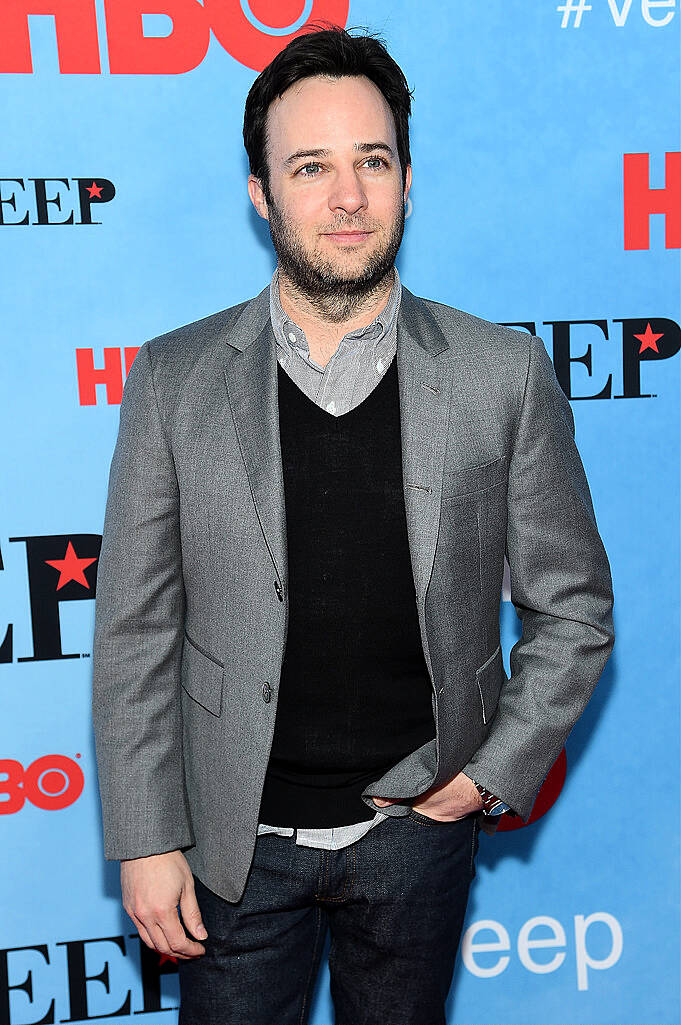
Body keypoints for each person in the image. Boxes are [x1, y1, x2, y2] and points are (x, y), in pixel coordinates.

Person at [91, 25, 615, 1025]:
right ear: (261, 192)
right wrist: (145, 835)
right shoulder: (173, 381)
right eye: (311, 166)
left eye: (373, 161)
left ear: (408, 179)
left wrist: (483, 778)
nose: (347, 197)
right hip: (229, 845)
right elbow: (133, 632)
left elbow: (575, 610)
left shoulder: (501, 375)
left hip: (417, 838)